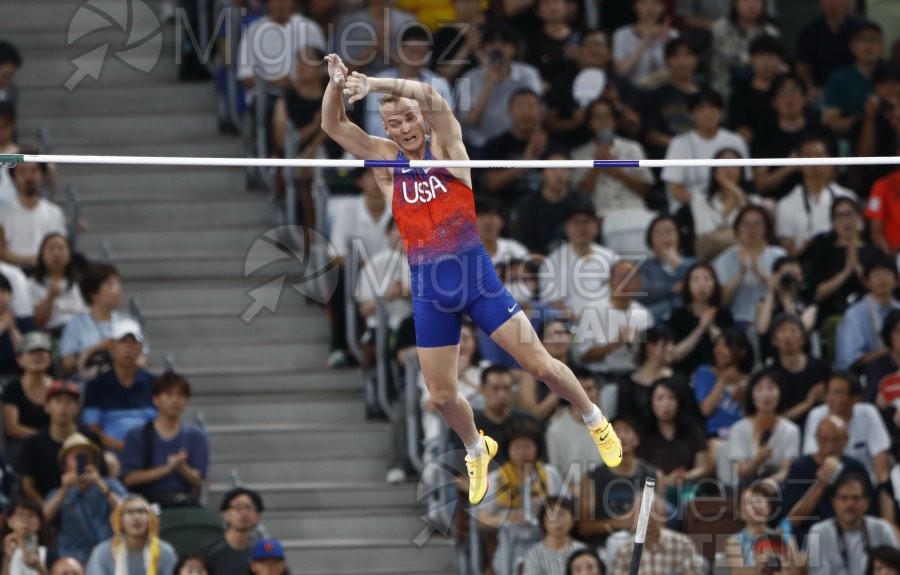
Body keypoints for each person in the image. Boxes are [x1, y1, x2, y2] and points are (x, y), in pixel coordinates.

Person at [321, 52, 622, 506]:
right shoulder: (385, 161)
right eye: (393, 123)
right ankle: (477, 448)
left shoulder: (448, 148)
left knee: (540, 367)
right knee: (442, 396)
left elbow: (431, 95)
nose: (402, 128)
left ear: (420, 118)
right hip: (429, 290)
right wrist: (336, 83)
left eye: (407, 118)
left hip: (477, 283)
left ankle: (593, 417)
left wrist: (376, 85)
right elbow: (334, 126)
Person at [120, 372, 208, 508]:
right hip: (147, 504)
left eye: (181, 395)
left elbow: (200, 481)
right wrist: (166, 469)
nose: (175, 400)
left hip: (184, 502)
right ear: (156, 399)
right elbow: (129, 478)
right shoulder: (137, 434)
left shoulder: (196, 435)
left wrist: (182, 468)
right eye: (169, 394)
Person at [784, 415, 872, 544]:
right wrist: (820, 485)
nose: (829, 447)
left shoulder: (856, 468)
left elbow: (868, 511)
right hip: (809, 535)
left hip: (850, 533)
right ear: (816, 439)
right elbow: (793, 519)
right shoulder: (800, 467)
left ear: (846, 439)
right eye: (824, 440)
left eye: (836, 440)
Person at [43, 433, 126, 564]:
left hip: (110, 554)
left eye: (86, 457)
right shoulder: (57, 493)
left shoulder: (110, 485)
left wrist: (101, 486)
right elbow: (42, 519)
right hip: (73, 557)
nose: (81, 461)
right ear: (65, 465)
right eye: (75, 457)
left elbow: (127, 510)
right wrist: (63, 490)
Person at [578, 417, 660, 548]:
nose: (622, 436)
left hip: (643, 544)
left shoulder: (653, 475)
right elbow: (584, 528)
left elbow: (661, 524)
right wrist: (622, 522)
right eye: (615, 431)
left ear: (637, 439)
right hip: (603, 546)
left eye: (627, 430)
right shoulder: (592, 478)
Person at [718, 370, 801, 489]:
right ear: (752, 395)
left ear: (780, 393)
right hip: (745, 485)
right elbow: (741, 471)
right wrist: (758, 459)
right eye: (760, 389)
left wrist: (773, 480)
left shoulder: (791, 430)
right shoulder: (739, 429)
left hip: (776, 485)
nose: (766, 395)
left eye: (771, 388)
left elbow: (786, 469)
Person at [806, 473, 899, 575]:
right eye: (843, 498)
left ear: (867, 503)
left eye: (856, 498)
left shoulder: (881, 528)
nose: (850, 504)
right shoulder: (818, 532)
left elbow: (895, 567)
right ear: (833, 503)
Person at [608, 487, 705, 575]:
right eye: (642, 512)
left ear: (663, 513)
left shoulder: (682, 543)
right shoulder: (626, 550)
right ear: (634, 516)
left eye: (654, 510)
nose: (648, 517)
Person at [668, 262, 735, 377]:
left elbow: (731, 351)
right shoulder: (678, 315)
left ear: (715, 284)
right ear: (687, 285)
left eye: (707, 279)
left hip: (718, 373)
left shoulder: (724, 313)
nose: (701, 284)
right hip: (684, 373)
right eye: (695, 280)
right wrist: (701, 328)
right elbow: (674, 355)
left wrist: (710, 326)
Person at [85, 495, 177, 575]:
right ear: (120, 520)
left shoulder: (165, 551)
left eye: (141, 511)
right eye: (130, 512)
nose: (136, 517)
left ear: (150, 519)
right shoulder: (102, 552)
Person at [724, 483, 802, 574]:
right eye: (748, 502)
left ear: (769, 507)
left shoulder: (785, 537)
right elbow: (737, 573)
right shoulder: (733, 541)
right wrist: (757, 570)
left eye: (759, 500)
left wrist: (784, 569)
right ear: (739, 513)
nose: (754, 506)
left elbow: (797, 572)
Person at [3, 332, 53, 464]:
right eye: (31, 352)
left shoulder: (59, 387)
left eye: (42, 352)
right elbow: (12, 428)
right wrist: (45, 438)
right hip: (23, 444)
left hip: (56, 441)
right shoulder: (12, 389)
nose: (38, 357)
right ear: (19, 359)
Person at [26, 234, 86, 336]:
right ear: (42, 254)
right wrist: (50, 297)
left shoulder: (81, 281)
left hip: (81, 332)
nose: (56, 253)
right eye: (51, 248)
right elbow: (37, 322)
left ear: (69, 254)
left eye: (61, 248)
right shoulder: (32, 284)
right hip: (51, 335)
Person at [637, 215, 694, 322]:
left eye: (669, 232)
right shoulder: (643, 267)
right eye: (658, 234)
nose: (665, 238)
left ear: (679, 236)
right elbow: (639, 293)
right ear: (651, 241)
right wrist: (672, 288)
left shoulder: (693, 263)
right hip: (657, 322)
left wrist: (678, 264)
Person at [202, 488, 263, 575]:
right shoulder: (210, 550)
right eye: (238, 508)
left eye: (249, 508)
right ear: (225, 514)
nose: (243, 513)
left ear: (257, 516)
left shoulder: (262, 551)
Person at [521, 497, 587, 575]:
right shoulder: (534, 555)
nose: (556, 520)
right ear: (543, 521)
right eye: (551, 515)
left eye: (562, 515)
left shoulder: (583, 551)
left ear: (573, 520)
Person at [1, 499, 51, 575]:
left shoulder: (50, 553)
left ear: (40, 523)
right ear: (10, 521)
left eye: (31, 515)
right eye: (20, 515)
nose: (25, 520)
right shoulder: (3, 553)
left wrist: (39, 567)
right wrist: (7, 559)